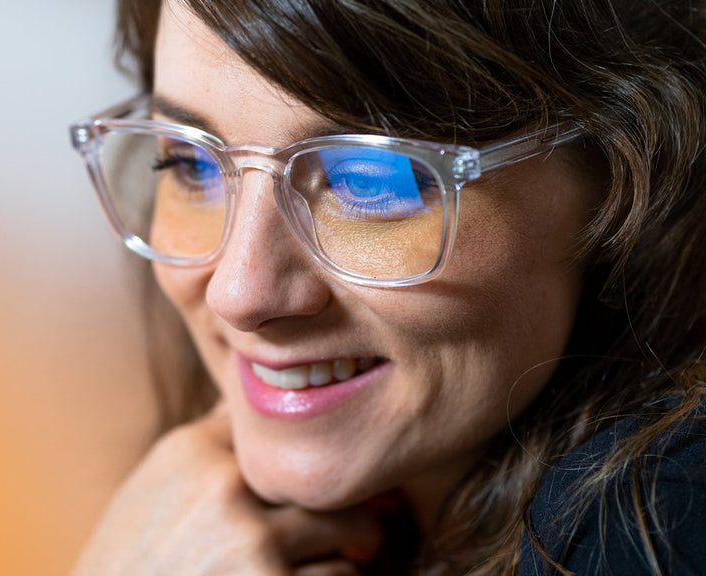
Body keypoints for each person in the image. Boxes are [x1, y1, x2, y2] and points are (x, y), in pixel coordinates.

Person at [69, 0, 706, 573]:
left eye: (372, 180)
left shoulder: (654, 525)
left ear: (625, 188)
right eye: (192, 164)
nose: (240, 293)